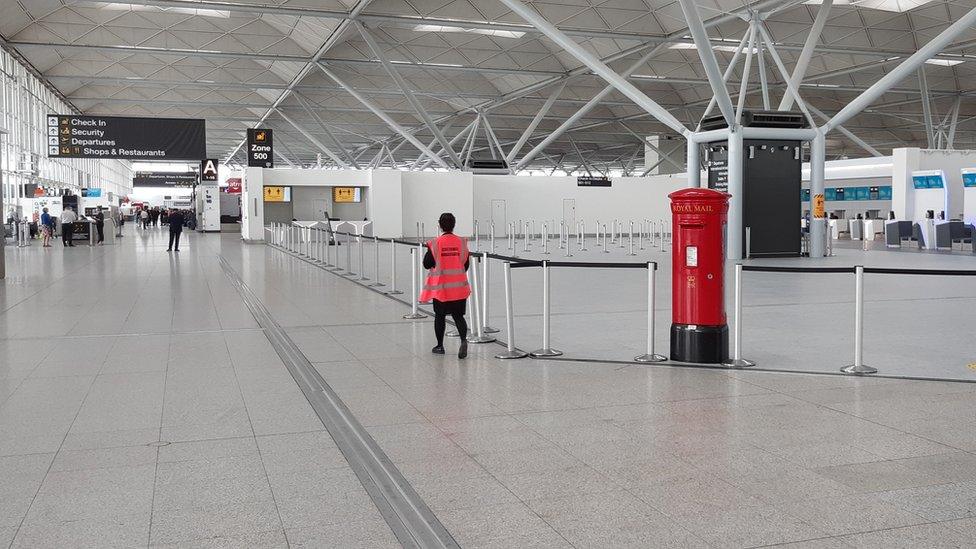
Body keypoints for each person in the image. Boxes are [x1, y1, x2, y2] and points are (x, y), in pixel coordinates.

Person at [419, 212, 470, 359]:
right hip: (459, 288)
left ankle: (440, 346)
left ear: (440, 225)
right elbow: (465, 265)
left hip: (441, 288)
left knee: (439, 316)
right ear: (454, 225)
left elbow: (426, 264)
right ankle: (463, 340)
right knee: (458, 316)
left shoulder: (435, 243)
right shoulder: (461, 242)